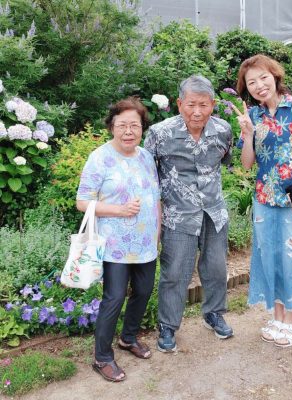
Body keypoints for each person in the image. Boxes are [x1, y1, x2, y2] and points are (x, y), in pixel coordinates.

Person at [233, 54, 292, 348]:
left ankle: (291, 320)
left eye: (263, 77)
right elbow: (247, 164)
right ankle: (276, 315)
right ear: (246, 88)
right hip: (264, 197)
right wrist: (247, 135)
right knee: (268, 256)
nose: (259, 85)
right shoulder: (253, 116)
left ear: (275, 76)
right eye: (252, 82)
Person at [144, 75, 234, 352]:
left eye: (203, 105)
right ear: (179, 103)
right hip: (177, 215)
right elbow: (147, 174)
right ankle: (168, 325)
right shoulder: (160, 133)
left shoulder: (223, 130)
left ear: (213, 105)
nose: (197, 112)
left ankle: (214, 314)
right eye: (191, 104)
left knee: (216, 268)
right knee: (174, 272)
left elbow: (225, 161)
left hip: (213, 212)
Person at [76, 97, 161, 381]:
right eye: (122, 125)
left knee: (144, 291)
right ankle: (102, 357)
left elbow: (155, 198)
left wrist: (157, 232)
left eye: (134, 125)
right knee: (113, 298)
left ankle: (128, 337)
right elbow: (82, 202)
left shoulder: (146, 156)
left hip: (145, 242)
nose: (128, 131)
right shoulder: (99, 158)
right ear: (112, 126)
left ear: (142, 128)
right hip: (115, 245)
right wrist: (119, 210)